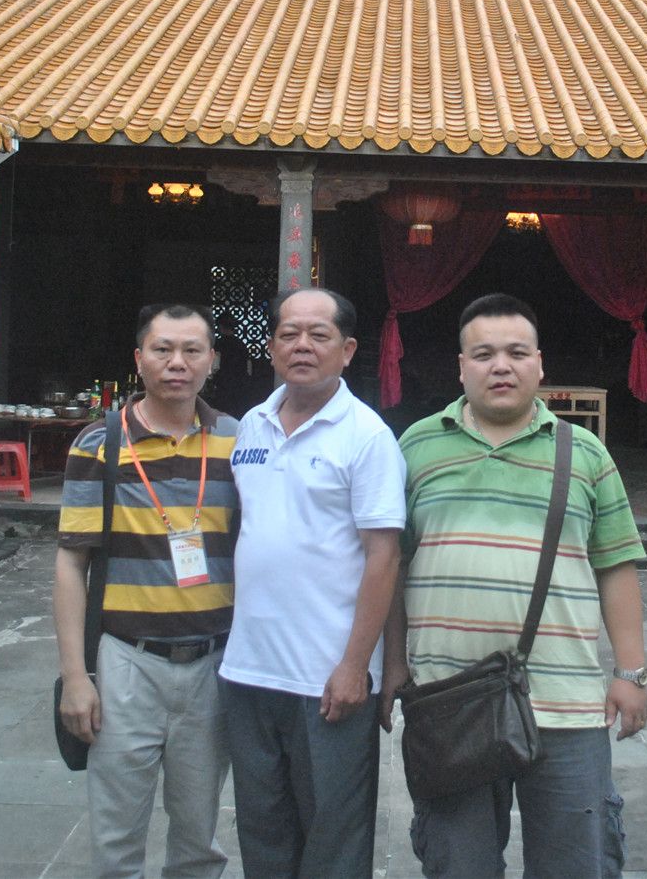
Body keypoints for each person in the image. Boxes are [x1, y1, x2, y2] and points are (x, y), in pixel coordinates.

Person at [383, 294, 647, 879]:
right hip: (449, 700)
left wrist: (631, 673)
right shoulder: (416, 448)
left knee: (574, 863)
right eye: (483, 354)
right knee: (459, 864)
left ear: (539, 364)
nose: (500, 366)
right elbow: (392, 566)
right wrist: (394, 663)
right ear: (461, 367)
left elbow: (616, 565)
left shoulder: (584, 453)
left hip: (565, 702)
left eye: (516, 353)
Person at [219, 288, 406, 877]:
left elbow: (383, 557)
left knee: (334, 841)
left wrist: (356, 666)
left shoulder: (367, 436)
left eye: (318, 335)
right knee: (262, 833)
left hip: (327, 678)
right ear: (271, 346)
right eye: (289, 334)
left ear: (346, 350)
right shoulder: (251, 426)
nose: (302, 346)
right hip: (249, 669)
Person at [54, 304, 240, 879]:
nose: (176, 363)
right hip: (126, 663)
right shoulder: (99, 444)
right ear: (139, 359)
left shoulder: (240, 440)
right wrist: (76, 677)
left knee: (198, 838)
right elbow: (71, 563)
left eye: (191, 350)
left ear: (212, 360)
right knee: (116, 839)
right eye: (162, 349)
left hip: (213, 663)